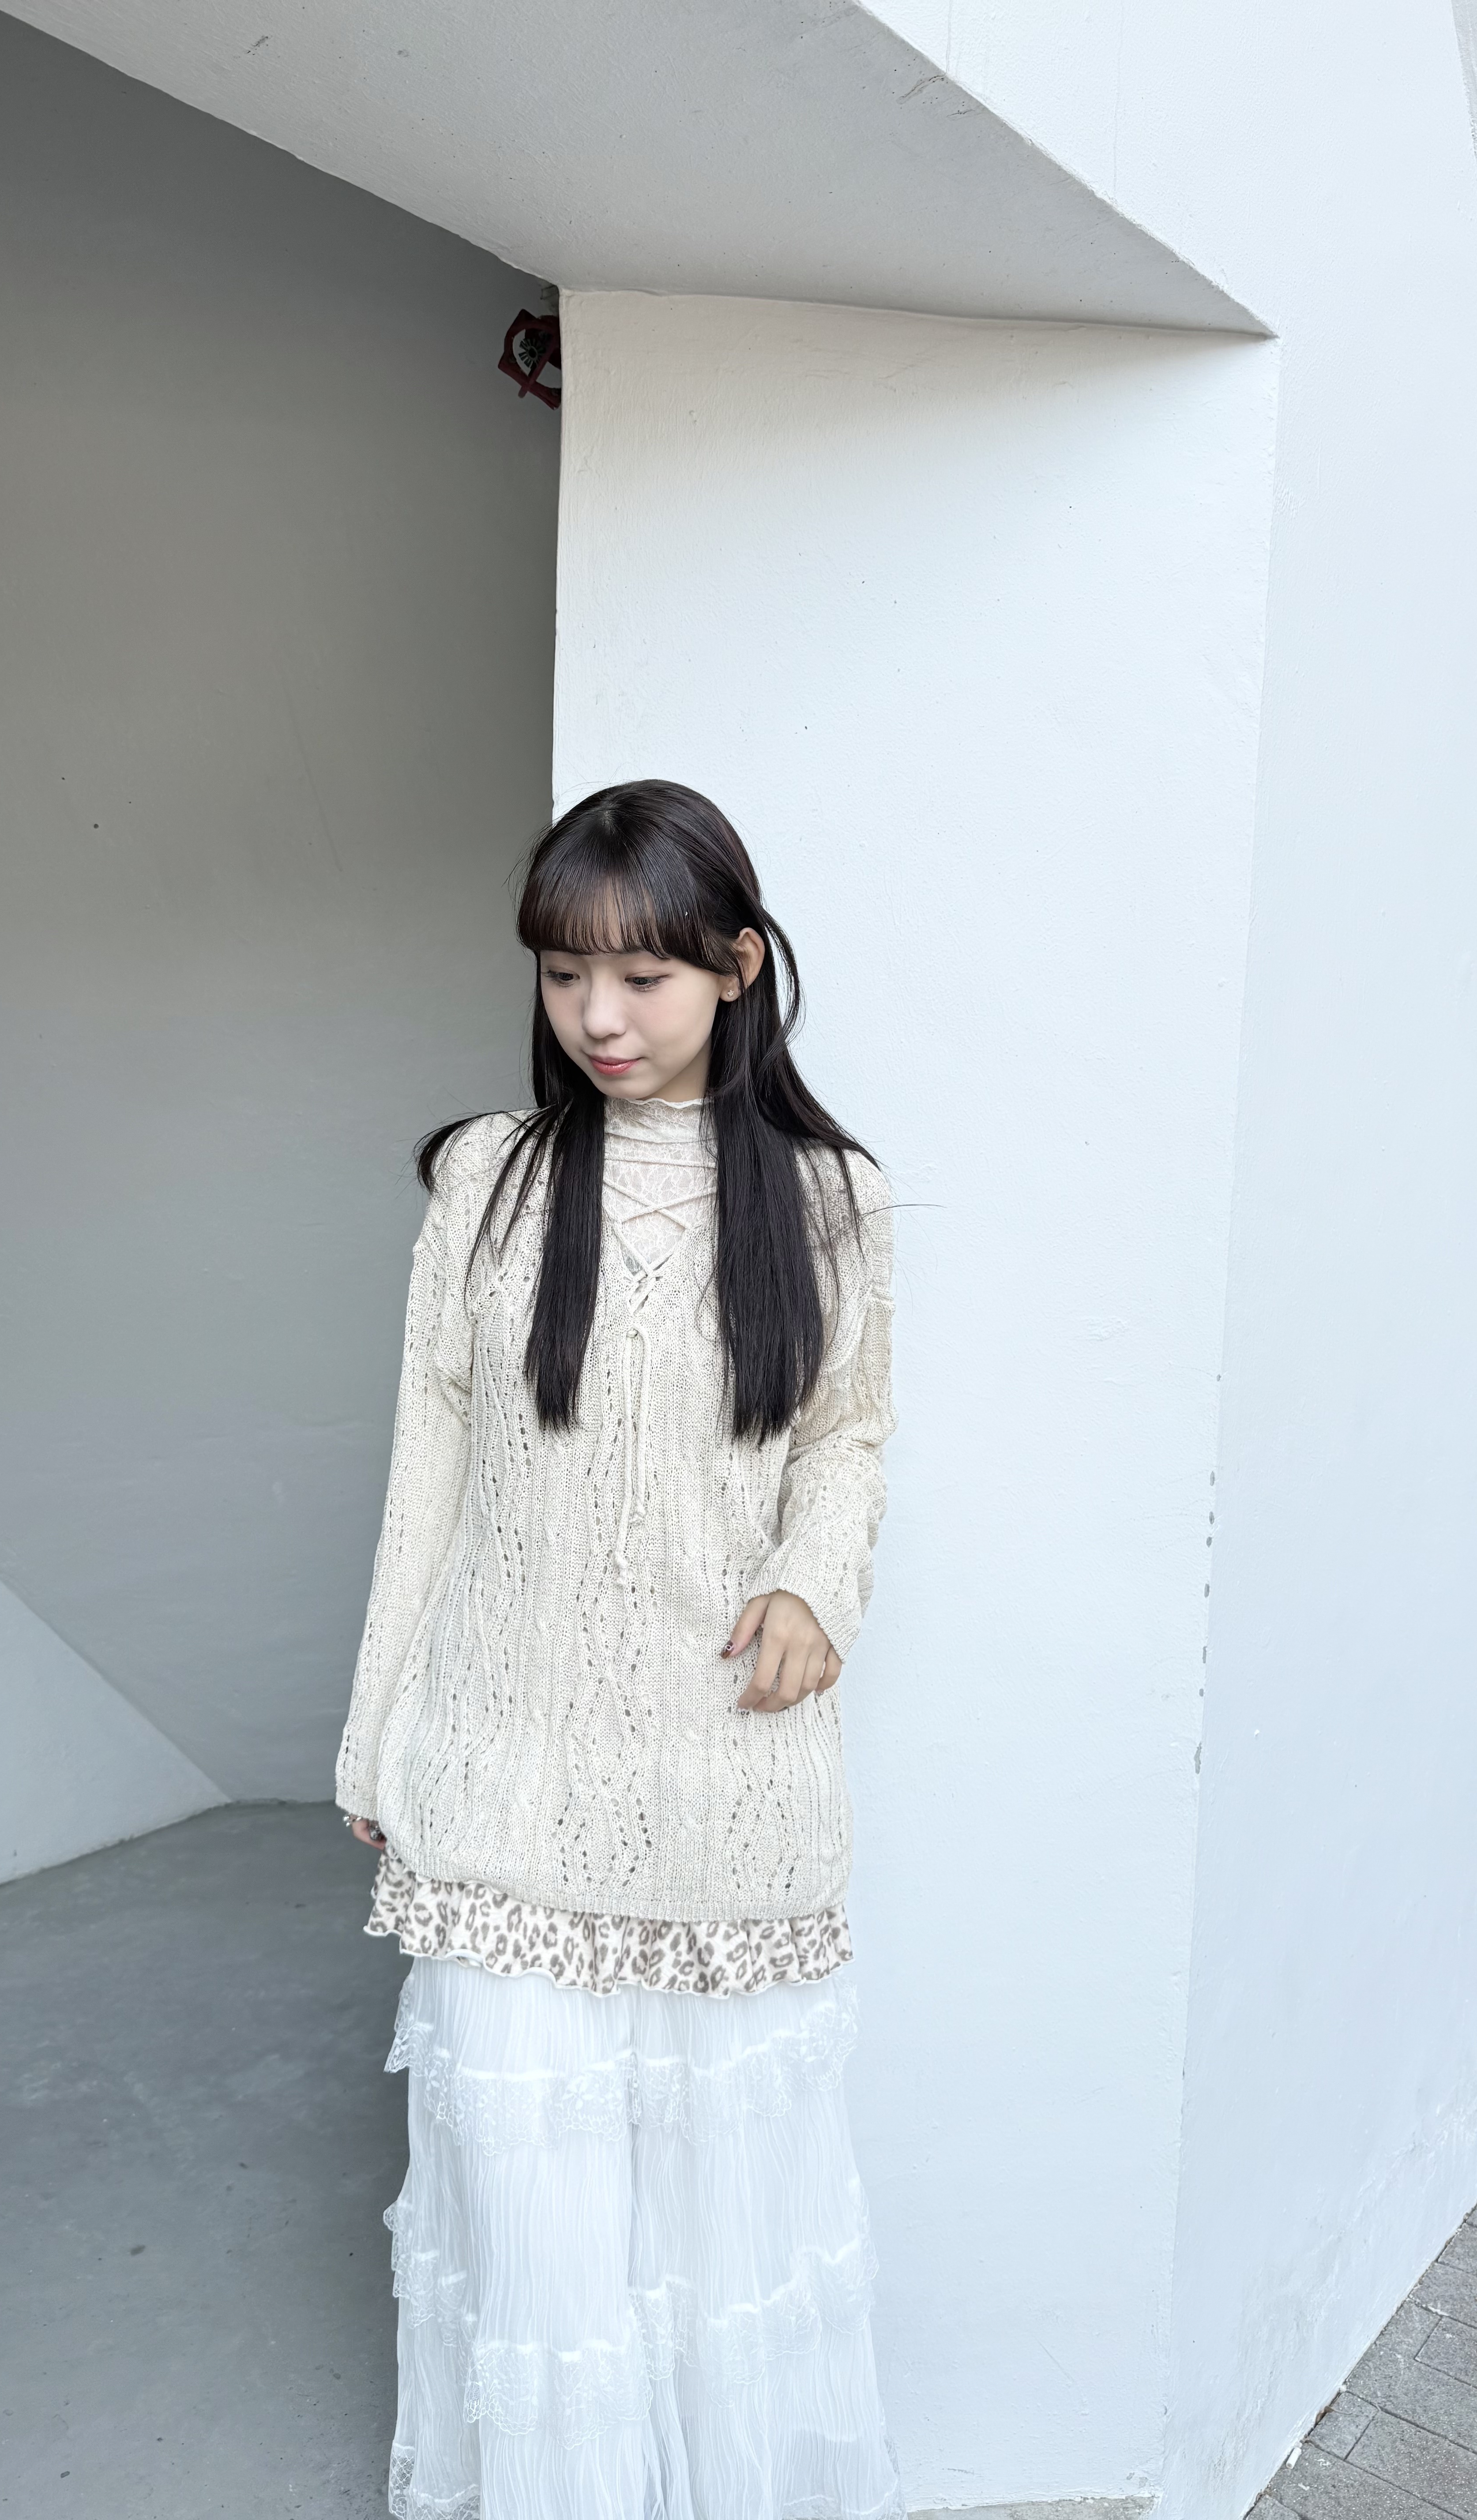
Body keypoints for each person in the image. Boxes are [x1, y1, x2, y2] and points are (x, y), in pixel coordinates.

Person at [336, 778, 901, 2520]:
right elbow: (428, 1462)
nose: (598, 1015)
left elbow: (846, 1438)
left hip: (719, 1766)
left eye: (643, 976)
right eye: (564, 971)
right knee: (538, 2228)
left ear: (737, 966)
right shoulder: (489, 1180)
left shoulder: (830, 1198)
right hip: (499, 1762)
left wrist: (814, 1587)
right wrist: (374, 1733)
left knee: (714, 2216)